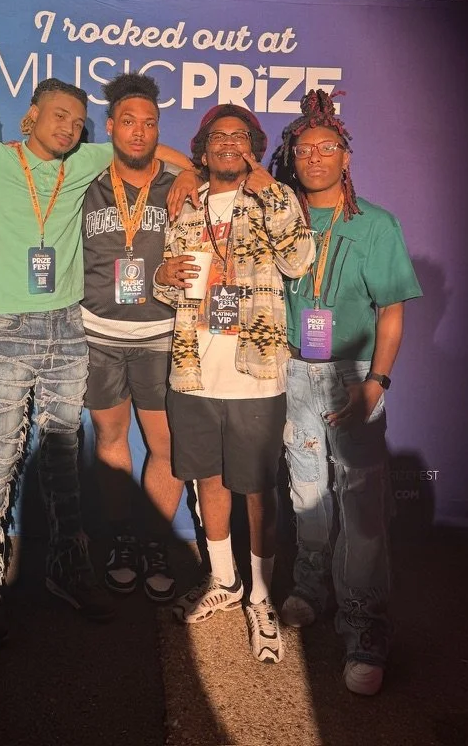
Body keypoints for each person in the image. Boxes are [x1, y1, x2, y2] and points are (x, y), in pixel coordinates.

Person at [0, 77, 195, 639]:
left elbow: (147, 147)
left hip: (67, 326)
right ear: (30, 115)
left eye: (77, 121)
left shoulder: (85, 161)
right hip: (6, 329)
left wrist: (191, 173)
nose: (68, 127)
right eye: (58, 115)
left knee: (63, 458)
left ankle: (67, 565)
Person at [270, 88, 423, 696]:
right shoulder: (279, 221)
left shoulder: (376, 224)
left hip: (353, 374)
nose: (314, 157)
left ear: (346, 157)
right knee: (306, 491)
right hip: (293, 372)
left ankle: (364, 625)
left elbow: (391, 312)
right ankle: (312, 586)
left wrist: (375, 382)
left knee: (360, 506)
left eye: (326, 147)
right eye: (304, 148)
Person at [153, 104, 315, 665]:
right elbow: (170, 283)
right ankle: (224, 580)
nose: (228, 143)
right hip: (193, 369)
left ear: (253, 146)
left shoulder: (273, 197)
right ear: (202, 149)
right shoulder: (186, 202)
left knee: (257, 489)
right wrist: (162, 276)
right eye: (217, 136)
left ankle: (261, 595)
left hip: (256, 370)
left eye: (239, 136)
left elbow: (299, 261)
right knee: (210, 479)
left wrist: (272, 192)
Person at [81, 74, 185, 603]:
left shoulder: (180, 184)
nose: (139, 132)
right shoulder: (84, 177)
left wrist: (187, 168)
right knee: (110, 439)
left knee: (167, 445)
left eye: (149, 123)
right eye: (128, 121)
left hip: (161, 336)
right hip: (98, 335)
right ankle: (122, 540)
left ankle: (156, 542)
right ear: (109, 127)